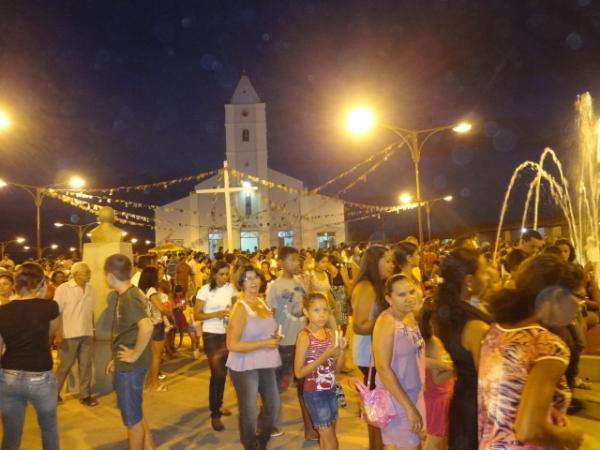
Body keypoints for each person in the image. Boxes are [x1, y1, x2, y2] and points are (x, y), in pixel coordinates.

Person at [478, 254, 584, 449]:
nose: (579, 305)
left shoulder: (495, 332)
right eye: (578, 297)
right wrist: (572, 436)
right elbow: (529, 430)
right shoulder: (547, 346)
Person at [434, 248, 491, 450]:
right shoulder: (475, 326)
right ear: (469, 281)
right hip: (477, 407)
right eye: (484, 272)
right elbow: (490, 380)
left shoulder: (450, 313)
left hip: (461, 400)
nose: (489, 276)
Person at [0, 262, 60, 450]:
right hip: (40, 375)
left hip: (8, 375)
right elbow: (50, 334)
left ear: (16, 284)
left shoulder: (2, 311)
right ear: (41, 283)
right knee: (48, 428)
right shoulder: (50, 307)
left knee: (11, 431)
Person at [226, 265, 282, 450]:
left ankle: (262, 441)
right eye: (248, 278)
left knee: (273, 406)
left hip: (266, 361)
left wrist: (273, 338)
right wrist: (264, 344)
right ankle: (251, 445)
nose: (253, 281)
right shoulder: (240, 308)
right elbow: (232, 345)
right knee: (249, 411)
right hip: (244, 365)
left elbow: (265, 331)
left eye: (256, 277)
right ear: (240, 283)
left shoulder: (262, 302)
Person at [104, 254, 154, 450]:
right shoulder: (128, 294)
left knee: (132, 421)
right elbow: (129, 331)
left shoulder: (129, 298)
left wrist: (133, 354)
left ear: (109, 276)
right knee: (136, 412)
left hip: (131, 368)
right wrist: (117, 358)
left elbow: (146, 326)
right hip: (127, 364)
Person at [267, 246, 315, 439]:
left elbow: (309, 305)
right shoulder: (275, 286)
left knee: (305, 385)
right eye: (293, 259)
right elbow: (271, 314)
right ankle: (269, 422)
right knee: (277, 386)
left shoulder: (300, 281)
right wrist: (271, 340)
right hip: (284, 343)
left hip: (302, 341)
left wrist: (309, 286)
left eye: (298, 260)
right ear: (281, 263)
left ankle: (310, 428)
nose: (297, 263)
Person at [373, 274, 426, 450]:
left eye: (411, 292)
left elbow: (412, 354)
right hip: (397, 398)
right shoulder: (387, 321)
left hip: (413, 393)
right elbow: (383, 368)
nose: (409, 297)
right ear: (389, 298)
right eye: (401, 295)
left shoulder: (409, 316)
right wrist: (408, 408)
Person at [352, 244, 395, 450]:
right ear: (374, 262)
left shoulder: (379, 285)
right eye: (386, 260)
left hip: (376, 352)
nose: (391, 264)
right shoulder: (366, 287)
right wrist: (387, 319)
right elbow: (359, 325)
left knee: (379, 405)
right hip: (368, 355)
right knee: (376, 406)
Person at [294, 292, 347, 450]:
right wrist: (325, 356)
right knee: (330, 439)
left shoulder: (331, 334)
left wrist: (342, 351)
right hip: (314, 393)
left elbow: (336, 369)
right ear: (306, 312)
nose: (322, 315)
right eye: (316, 310)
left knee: (328, 437)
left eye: (325, 310)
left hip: (331, 390)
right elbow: (299, 373)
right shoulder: (305, 336)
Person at [194, 261, 236, 431]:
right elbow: (197, 314)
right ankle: (215, 414)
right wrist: (215, 314)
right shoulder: (204, 290)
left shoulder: (230, 288)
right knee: (217, 373)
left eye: (227, 274)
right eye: (221, 274)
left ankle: (218, 405)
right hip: (211, 334)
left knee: (224, 373)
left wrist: (230, 313)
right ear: (213, 274)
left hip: (227, 333)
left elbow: (235, 308)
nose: (225, 277)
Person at [54, 262, 98, 406]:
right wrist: (58, 333)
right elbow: (57, 313)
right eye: (86, 272)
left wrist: (93, 330)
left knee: (86, 365)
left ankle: (85, 395)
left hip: (86, 332)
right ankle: (53, 394)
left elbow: (91, 311)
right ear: (76, 273)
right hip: (69, 333)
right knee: (64, 366)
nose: (89, 274)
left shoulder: (91, 289)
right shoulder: (63, 289)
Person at [420, 304, 454, 450]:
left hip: (432, 396)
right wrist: (457, 368)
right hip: (438, 397)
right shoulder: (434, 343)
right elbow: (437, 379)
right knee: (433, 440)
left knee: (433, 439)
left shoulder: (427, 341)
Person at [138, 266, 169, 392]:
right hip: (156, 324)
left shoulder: (144, 290)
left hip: (150, 325)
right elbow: (161, 308)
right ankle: (154, 384)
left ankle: (149, 382)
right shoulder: (152, 291)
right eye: (158, 274)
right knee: (157, 356)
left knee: (152, 356)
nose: (160, 275)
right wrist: (168, 310)